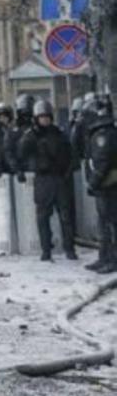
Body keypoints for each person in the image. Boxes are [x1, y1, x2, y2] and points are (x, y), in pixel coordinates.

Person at [18, 99, 78, 261]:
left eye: (47, 117)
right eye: (41, 117)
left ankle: (69, 249)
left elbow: (71, 154)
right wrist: (30, 135)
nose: (44, 120)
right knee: (43, 217)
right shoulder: (31, 135)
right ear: (36, 118)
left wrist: (67, 172)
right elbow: (21, 152)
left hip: (59, 178)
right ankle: (46, 250)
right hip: (43, 180)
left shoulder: (59, 133)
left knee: (65, 216)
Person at [82, 93, 117, 274]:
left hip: (108, 186)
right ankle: (104, 257)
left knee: (110, 223)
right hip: (105, 185)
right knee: (104, 223)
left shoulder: (103, 134)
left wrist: (93, 183)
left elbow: (102, 162)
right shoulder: (103, 132)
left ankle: (111, 260)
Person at [4, 94, 35, 178]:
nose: (26, 118)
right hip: (20, 171)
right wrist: (17, 170)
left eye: (28, 114)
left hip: (37, 170)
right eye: (24, 114)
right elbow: (8, 152)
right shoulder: (13, 130)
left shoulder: (37, 128)